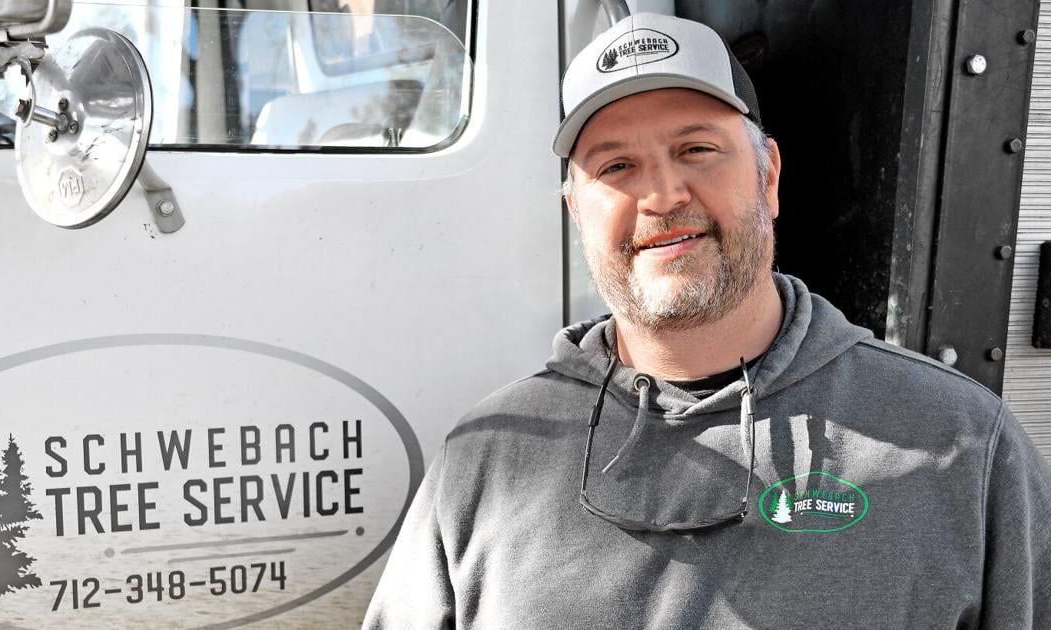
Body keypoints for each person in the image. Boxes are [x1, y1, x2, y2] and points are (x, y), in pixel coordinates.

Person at [363, 12, 1051, 629]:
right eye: (617, 166)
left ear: (770, 177)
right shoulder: (485, 460)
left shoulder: (961, 446)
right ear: (577, 212)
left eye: (697, 150)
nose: (661, 194)